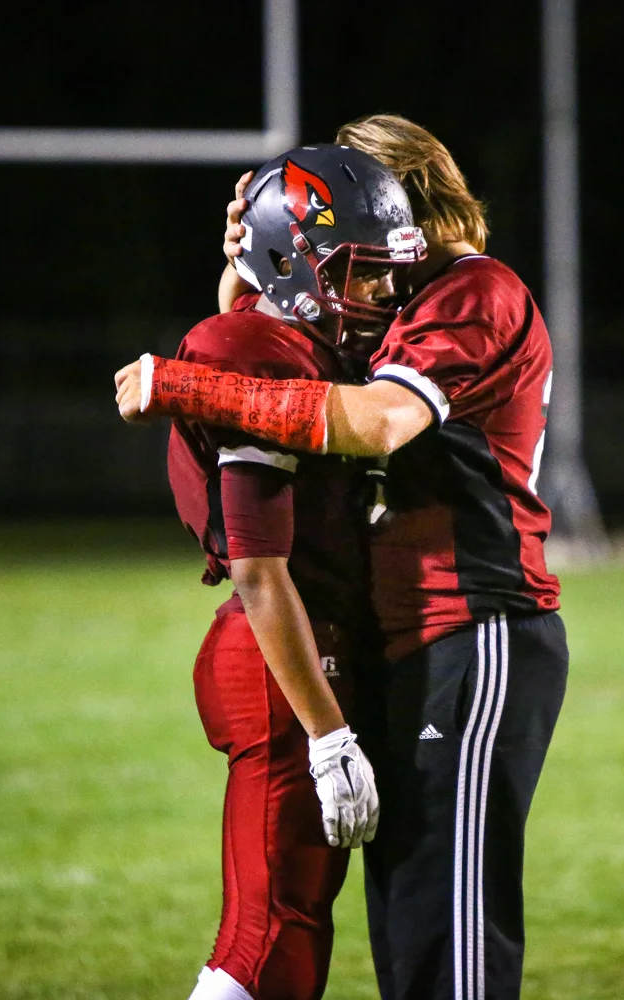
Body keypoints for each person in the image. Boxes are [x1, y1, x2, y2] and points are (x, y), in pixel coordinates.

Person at [116, 115, 569, 1000]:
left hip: (474, 627)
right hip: (403, 634)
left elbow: (376, 420)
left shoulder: (471, 290)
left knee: (451, 937)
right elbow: (279, 346)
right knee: (405, 927)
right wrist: (252, 267)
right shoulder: (403, 294)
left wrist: (181, 383)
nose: (365, 275)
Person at [115, 142, 426, 1000]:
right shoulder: (251, 350)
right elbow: (260, 571)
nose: (380, 298)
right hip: (278, 655)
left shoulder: (275, 329)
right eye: (360, 275)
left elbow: (260, 306)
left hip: (298, 645)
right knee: (271, 934)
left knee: (293, 923)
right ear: (295, 262)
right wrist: (327, 736)